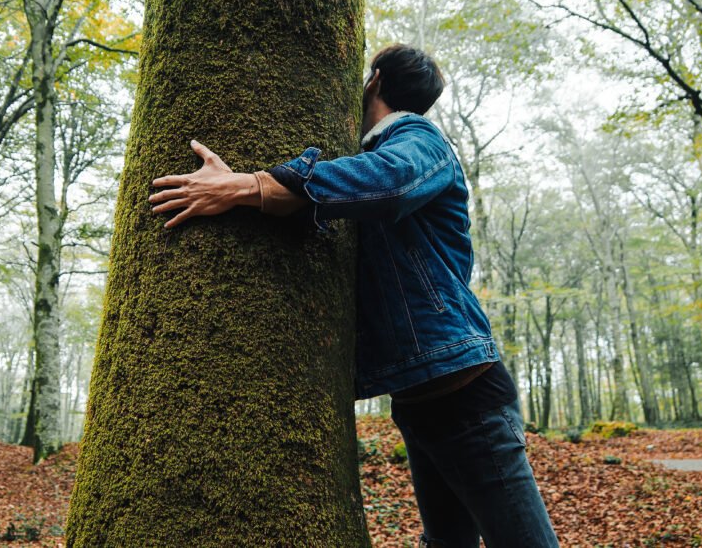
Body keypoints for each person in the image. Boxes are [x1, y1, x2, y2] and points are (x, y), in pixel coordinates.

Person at [148, 44, 559, 548]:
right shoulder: (366, 166)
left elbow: (387, 186)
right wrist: (247, 193)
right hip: (421, 400)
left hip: (465, 393)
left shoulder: (418, 139)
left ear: (374, 81)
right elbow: (327, 202)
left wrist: (246, 184)